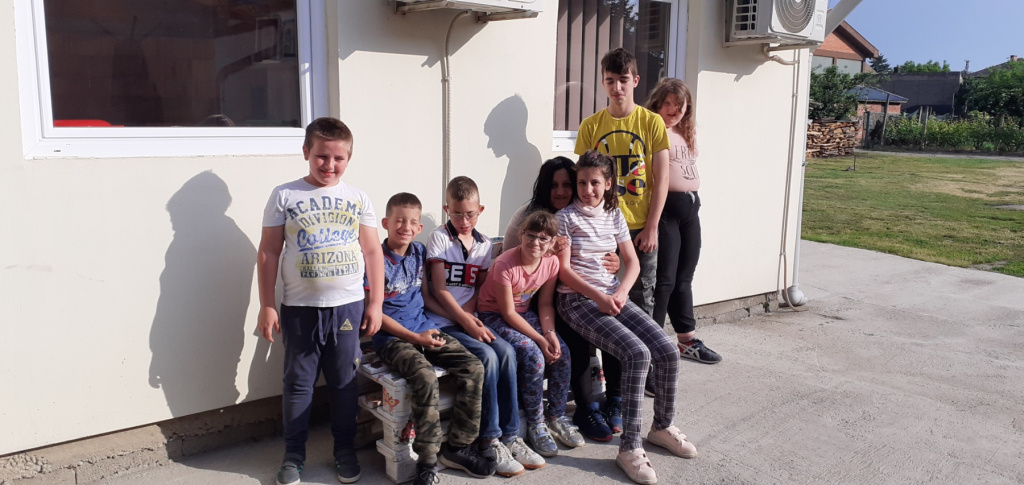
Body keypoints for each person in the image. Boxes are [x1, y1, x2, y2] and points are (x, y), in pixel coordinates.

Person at [556, 150, 697, 485]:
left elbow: (631, 262)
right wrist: (600, 297)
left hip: (612, 295)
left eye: (594, 182)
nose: (587, 189)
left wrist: (620, 293)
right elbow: (563, 270)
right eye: (582, 182)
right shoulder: (565, 218)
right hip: (577, 301)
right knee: (637, 353)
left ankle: (661, 426)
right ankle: (630, 447)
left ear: (608, 184)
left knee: (666, 349)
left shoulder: (614, 214)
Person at [256, 117, 384, 485]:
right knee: (298, 384)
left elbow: (372, 251)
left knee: (344, 382)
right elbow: (268, 251)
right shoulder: (285, 195)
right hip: (300, 309)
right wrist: (267, 304)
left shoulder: (358, 198)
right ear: (306, 153)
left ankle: (344, 450)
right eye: (321, 157)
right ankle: (293, 455)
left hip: (347, 306)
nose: (329, 165)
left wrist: (375, 303)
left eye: (338, 158)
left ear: (349, 158)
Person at [371, 192, 491, 484]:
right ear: (386, 223)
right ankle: (427, 462)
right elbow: (375, 313)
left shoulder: (418, 252)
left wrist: (458, 319)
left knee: (474, 367)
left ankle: (458, 447)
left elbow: (425, 295)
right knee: (424, 376)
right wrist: (415, 338)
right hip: (392, 338)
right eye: (399, 221)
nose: (406, 227)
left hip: (425, 328)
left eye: (413, 222)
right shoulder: (375, 258)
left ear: (420, 227)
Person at [503, 157, 624, 441]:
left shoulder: (584, 212)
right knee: (573, 332)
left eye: (567, 184)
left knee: (613, 322)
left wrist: (616, 260)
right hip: (533, 299)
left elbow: (600, 248)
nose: (560, 191)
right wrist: (547, 251)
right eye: (553, 185)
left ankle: (615, 399)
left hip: (576, 291)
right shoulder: (530, 216)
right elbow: (511, 262)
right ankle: (585, 408)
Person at [423, 176, 519, 477]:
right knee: (487, 357)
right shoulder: (439, 238)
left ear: (481, 211)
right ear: (446, 210)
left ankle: (510, 434)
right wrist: (464, 320)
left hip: (469, 320)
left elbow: (479, 286)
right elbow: (440, 290)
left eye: (470, 214)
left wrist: (470, 315)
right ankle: (488, 439)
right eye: (457, 214)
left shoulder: (483, 245)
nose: (464, 221)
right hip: (444, 322)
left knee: (506, 352)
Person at [478, 211, 585, 459]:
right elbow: (507, 312)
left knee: (561, 351)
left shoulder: (551, 263)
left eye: (543, 238)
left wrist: (550, 333)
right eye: (531, 236)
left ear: (551, 242)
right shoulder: (505, 264)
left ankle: (556, 416)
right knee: (534, 356)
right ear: (521, 234)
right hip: (494, 315)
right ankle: (536, 422)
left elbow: (545, 303)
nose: (536, 242)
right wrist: (539, 339)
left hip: (525, 314)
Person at [575, 48, 670, 320]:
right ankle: (602, 349)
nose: (617, 87)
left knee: (641, 297)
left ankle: (644, 349)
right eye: (610, 80)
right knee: (599, 293)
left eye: (623, 80)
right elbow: (581, 180)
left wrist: (652, 227)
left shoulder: (652, 122)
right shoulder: (590, 125)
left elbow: (661, 179)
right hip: (601, 226)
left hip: (640, 226)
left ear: (635, 81)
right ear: (603, 82)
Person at [645, 78, 722, 364]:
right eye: (667, 103)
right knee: (664, 280)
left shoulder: (685, 131)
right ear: (657, 104)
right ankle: (652, 346)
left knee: (684, 278)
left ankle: (686, 341)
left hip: (690, 209)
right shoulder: (652, 129)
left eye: (679, 105)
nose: (673, 110)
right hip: (665, 210)